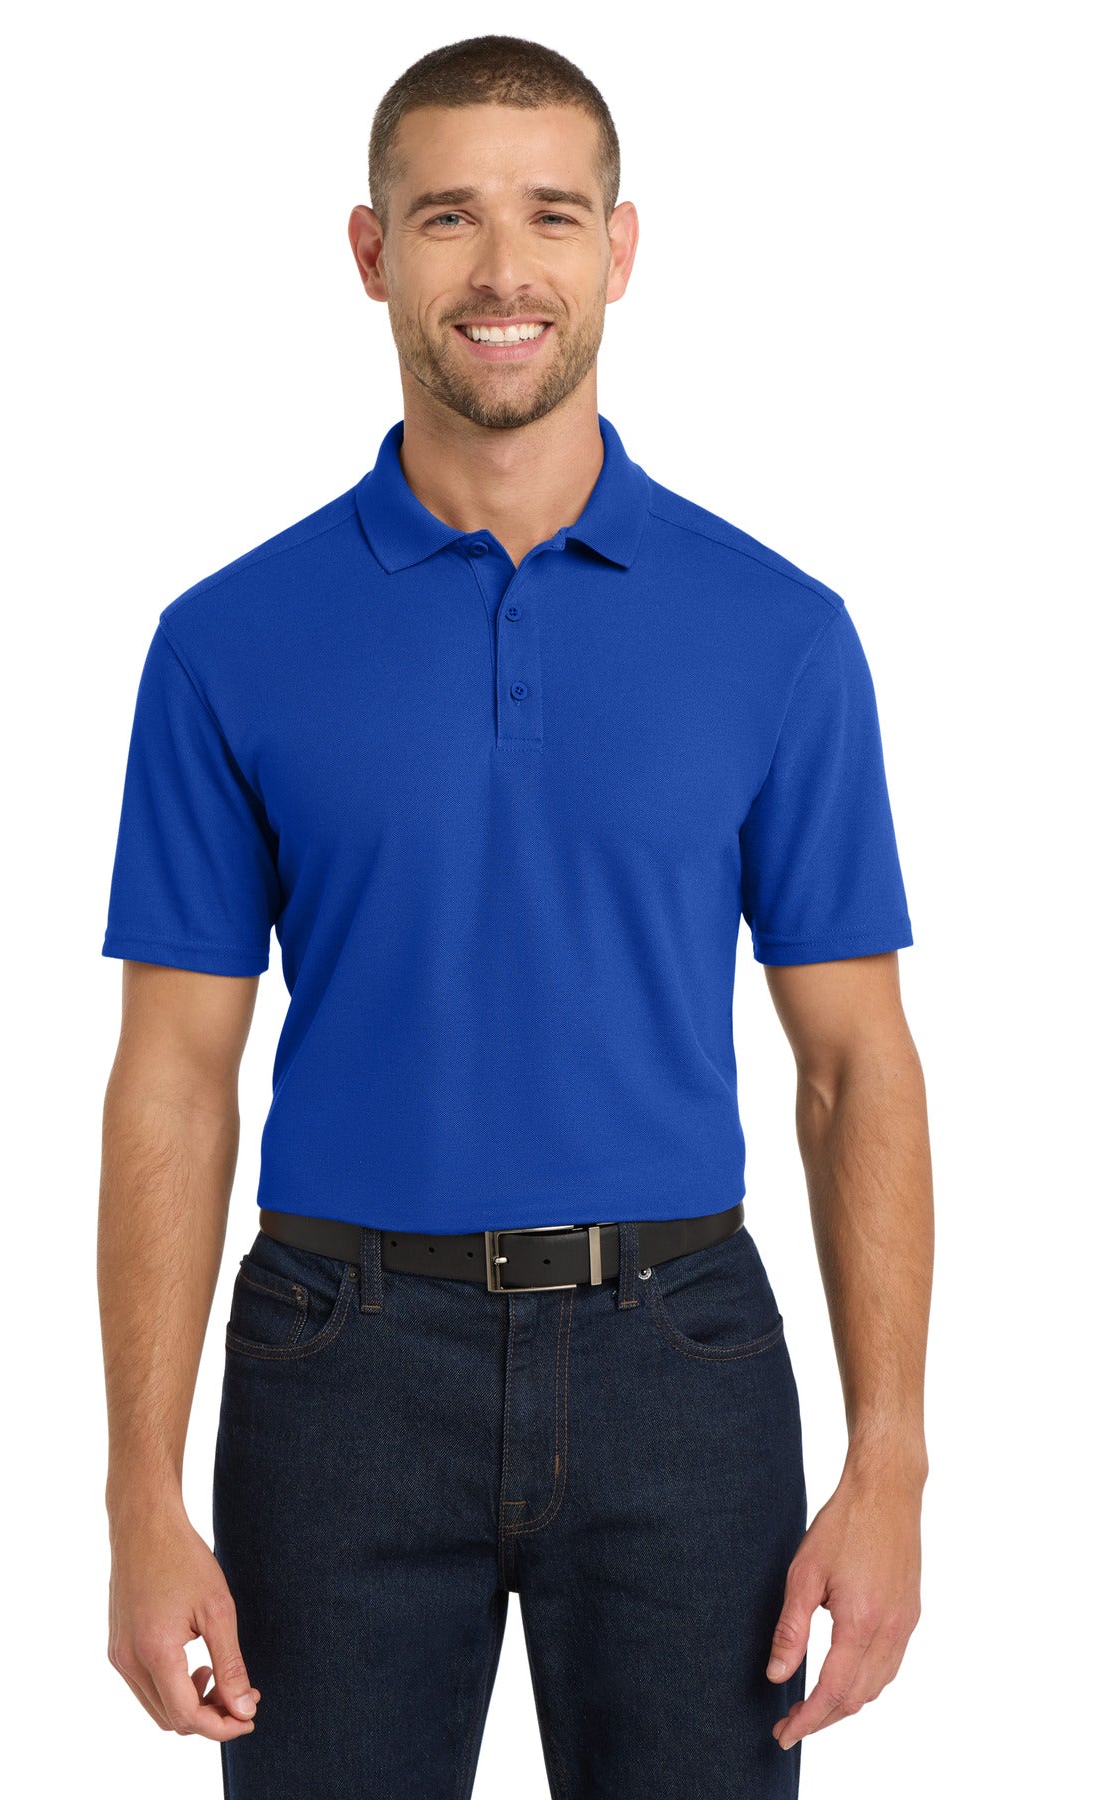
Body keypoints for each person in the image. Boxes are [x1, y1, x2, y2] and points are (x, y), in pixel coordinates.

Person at [98, 34, 932, 1800]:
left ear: (619, 249)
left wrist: (891, 1469)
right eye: (447, 217)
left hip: (683, 1363)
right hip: (336, 1367)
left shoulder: (780, 632)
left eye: (551, 215)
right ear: (370, 250)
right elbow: (171, 1077)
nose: (501, 270)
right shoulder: (226, 641)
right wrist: (140, 1501)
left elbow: (854, 1066)